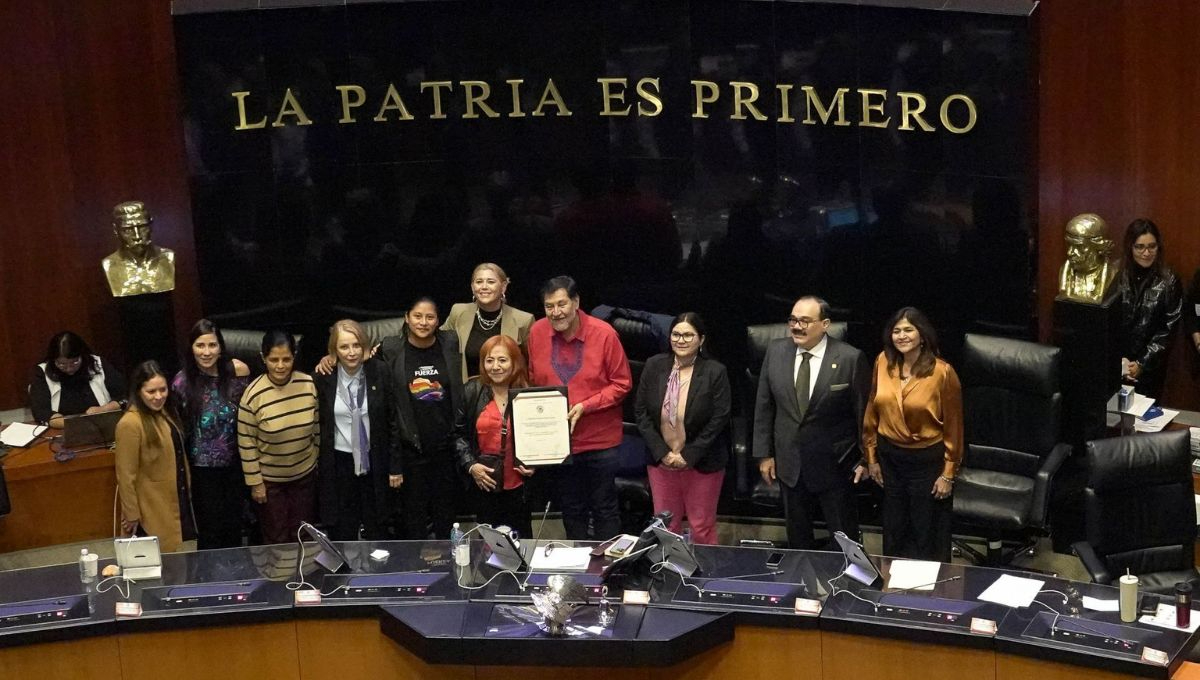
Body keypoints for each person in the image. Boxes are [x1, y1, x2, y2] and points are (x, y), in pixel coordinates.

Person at [753, 296, 870, 549]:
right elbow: (764, 405)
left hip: (835, 465)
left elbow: (864, 415)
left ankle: (848, 588)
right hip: (789, 464)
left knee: (845, 544)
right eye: (793, 320)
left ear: (825, 324)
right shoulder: (775, 351)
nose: (797, 326)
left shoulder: (850, 358)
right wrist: (764, 454)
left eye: (805, 321)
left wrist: (865, 459)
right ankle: (801, 587)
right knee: (798, 541)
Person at [526, 276, 632, 540]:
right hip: (559, 443)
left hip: (599, 442)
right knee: (571, 510)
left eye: (562, 304)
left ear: (576, 302)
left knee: (604, 509)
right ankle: (579, 572)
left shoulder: (604, 333)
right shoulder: (537, 332)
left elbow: (622, 384)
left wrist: (586, 405)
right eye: (549, 306)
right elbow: (532, 382)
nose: (556, 312)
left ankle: (608, 572)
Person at [864, 307, 963, 562]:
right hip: (890, 458)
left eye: (908, 329)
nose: (902, 336)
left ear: (922, 335)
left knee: (925, 530)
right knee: (894, 527)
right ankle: (893, 589)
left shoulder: (942, 372)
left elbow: (954, 425)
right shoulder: (882, 362)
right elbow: (871, 412)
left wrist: (948, 474)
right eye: (896, 331)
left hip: (926, 462)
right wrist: (871, 457)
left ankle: (929, 596)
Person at [635, 312, 731, 545]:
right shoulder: (654, 365)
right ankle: (669, 576)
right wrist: (664, 454)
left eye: (688, 335)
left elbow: (719, 418)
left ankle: (704, 580)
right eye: (676, 334)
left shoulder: (715, 371)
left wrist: (687, 456)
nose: (681, 340)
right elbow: (640, 412)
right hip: (662, 461)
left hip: (702, 461)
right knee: (666, 527)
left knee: (701, 527)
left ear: (702, 339)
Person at [315, 319, 404, 541]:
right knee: (343, 529)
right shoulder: (324, 376)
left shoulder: (380, 371)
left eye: (356, 345)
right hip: (339, 463)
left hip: (375, 461)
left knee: (378, 527)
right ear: (334, 349)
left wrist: (395, 465)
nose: (351, 352)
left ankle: (378, 574)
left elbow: (393, 420)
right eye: (344, 347)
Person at [383, 297, 463, 539]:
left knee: (446, 519)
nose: (423, 322)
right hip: (411, 452)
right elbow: (359, 358)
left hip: (446, 450)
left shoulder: (449, 342)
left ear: (438, 320)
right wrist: (330, 357)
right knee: (414, 520)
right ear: (407, 318)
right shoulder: (391, 348)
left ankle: (449, 572)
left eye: (430, 317)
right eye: (417, 316)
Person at [171, 320, 251, 550]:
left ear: (221, 347)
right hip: (202, 471)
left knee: (235, 529)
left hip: (237, 466)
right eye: (200, 345)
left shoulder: (238, 372)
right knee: (211, 532)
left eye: (212, 345)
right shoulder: (181, 382)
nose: (206, 352)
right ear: (191, 347)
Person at [238, 330, 320, 544]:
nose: (280, 366)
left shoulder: (308, 384)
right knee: (277, 538)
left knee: (303, 535)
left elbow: (317, 429)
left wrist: (314, 461)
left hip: (304, 477)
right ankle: (280, 579)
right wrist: (256, 483)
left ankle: (304, 578)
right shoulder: (252, 394)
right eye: (274, 360)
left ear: (294, 356)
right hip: (270, 484)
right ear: (263, 358)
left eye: (286, 359)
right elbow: (246, 443)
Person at [456, 335, 537, 539]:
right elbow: (457, 435)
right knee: (487, 549)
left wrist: (535, 463)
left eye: (502, 360)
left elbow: (539, 437)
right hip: (484, 484)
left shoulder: (528, 394)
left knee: (521, 546)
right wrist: (471, 466)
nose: (495, 366)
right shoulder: (471, 391)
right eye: (489, 360)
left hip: (519, 487)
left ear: (514, 362)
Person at [114, 360, 195, 553]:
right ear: (138, 391)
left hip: (171, 501)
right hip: (150, 508)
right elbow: (126, 475)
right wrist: (132, 514)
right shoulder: (130, 424)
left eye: (163, 389)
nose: (159, 397)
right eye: (151, 392)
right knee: (156, 564)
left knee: (174, 559)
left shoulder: (165, 413)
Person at [1115, 218, 1183, 399]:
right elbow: (1107, 320)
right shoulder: (1116, 274)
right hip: (1116, 363)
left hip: (1150, 367)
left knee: (1147, 419)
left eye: (1152, 246)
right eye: (1140, 247)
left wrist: (1142, 363)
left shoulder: (1169, 280)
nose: (1146, 253)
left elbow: (1168, 328)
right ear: (1130, 247)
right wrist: (1118, 359)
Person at [441, 262, 535, 381]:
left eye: (491, 282)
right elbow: (438, 343)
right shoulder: (458, 312)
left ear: (503, 286)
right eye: (479, 282)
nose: (484, 286)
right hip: (468, 393)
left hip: (508, 390)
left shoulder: (524, 320)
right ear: (472, 287)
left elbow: (533, 364)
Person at [28, 331, 125, 428]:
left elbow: (124, 395)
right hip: (62, 430)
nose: (69, 368)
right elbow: (41, 411)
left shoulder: (98, 364)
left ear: (82, 355)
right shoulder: (43, 372)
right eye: (61, 364)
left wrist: (104, 409)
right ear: (53, 360)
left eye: (75, 362)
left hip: (103, 425)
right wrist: (72, 425)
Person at [101, 200, 176, 297]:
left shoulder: (168, 258)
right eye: (128, 229)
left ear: (151, 225)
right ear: (116, 230)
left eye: (142, 227)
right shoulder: (109, 265)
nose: (137, 236)